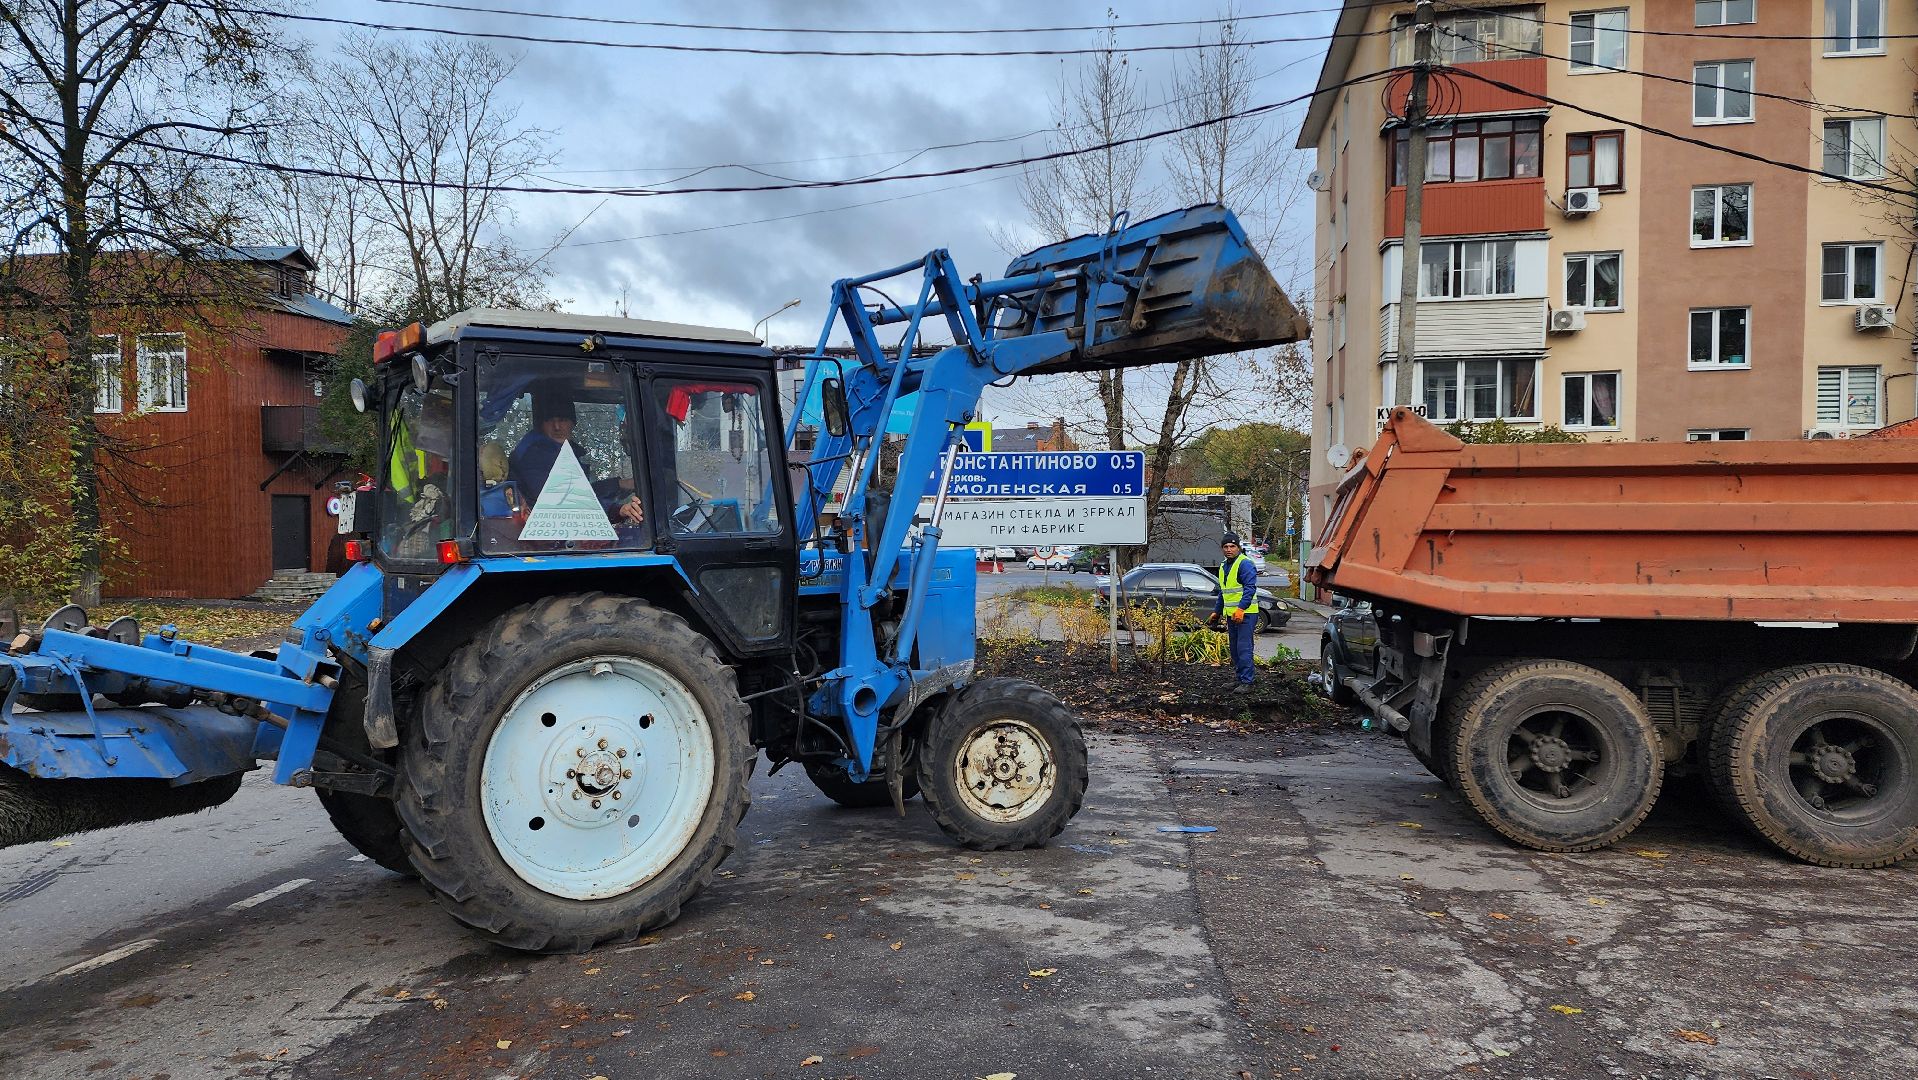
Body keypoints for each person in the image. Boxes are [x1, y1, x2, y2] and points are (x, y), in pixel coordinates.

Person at [1211, 531, 1259, 693]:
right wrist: (1216, 612)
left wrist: (1241, 609)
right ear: (1221, 548)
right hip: (1232, 615)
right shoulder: (1224, 566)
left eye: (1232, 546)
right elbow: (1223, 593)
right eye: (1225, 546)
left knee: (1244, 647)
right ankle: (1240, 678)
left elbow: (1249, 589)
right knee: (1235, 648)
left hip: (1245, 614)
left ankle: (1247, 681)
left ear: (1238, 547)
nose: (1229, 549)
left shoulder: (1244, 563)